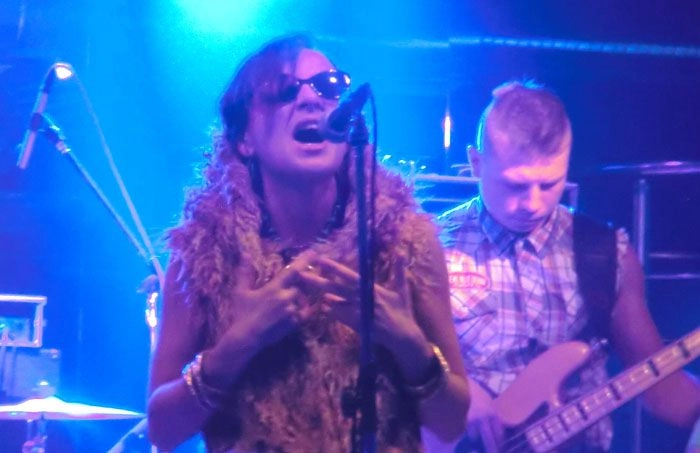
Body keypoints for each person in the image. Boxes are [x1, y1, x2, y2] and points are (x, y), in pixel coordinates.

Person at [146, 34, 469, 453]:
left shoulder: (403, 242)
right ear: (244, 138)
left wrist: (406, 342)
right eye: (284, 91)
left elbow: (452, 422)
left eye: (328, 86)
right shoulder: (205, 252)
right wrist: (240, 343)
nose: (311, 99)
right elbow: (162, 429)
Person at [440, 80, 700, 452]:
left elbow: (660, 389)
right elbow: (391, 363)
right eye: (515, 186)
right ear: (476, 163)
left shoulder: (605, 253)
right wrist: (448, 388)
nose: (532, 204)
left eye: (550, 184)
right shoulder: (429, 246)